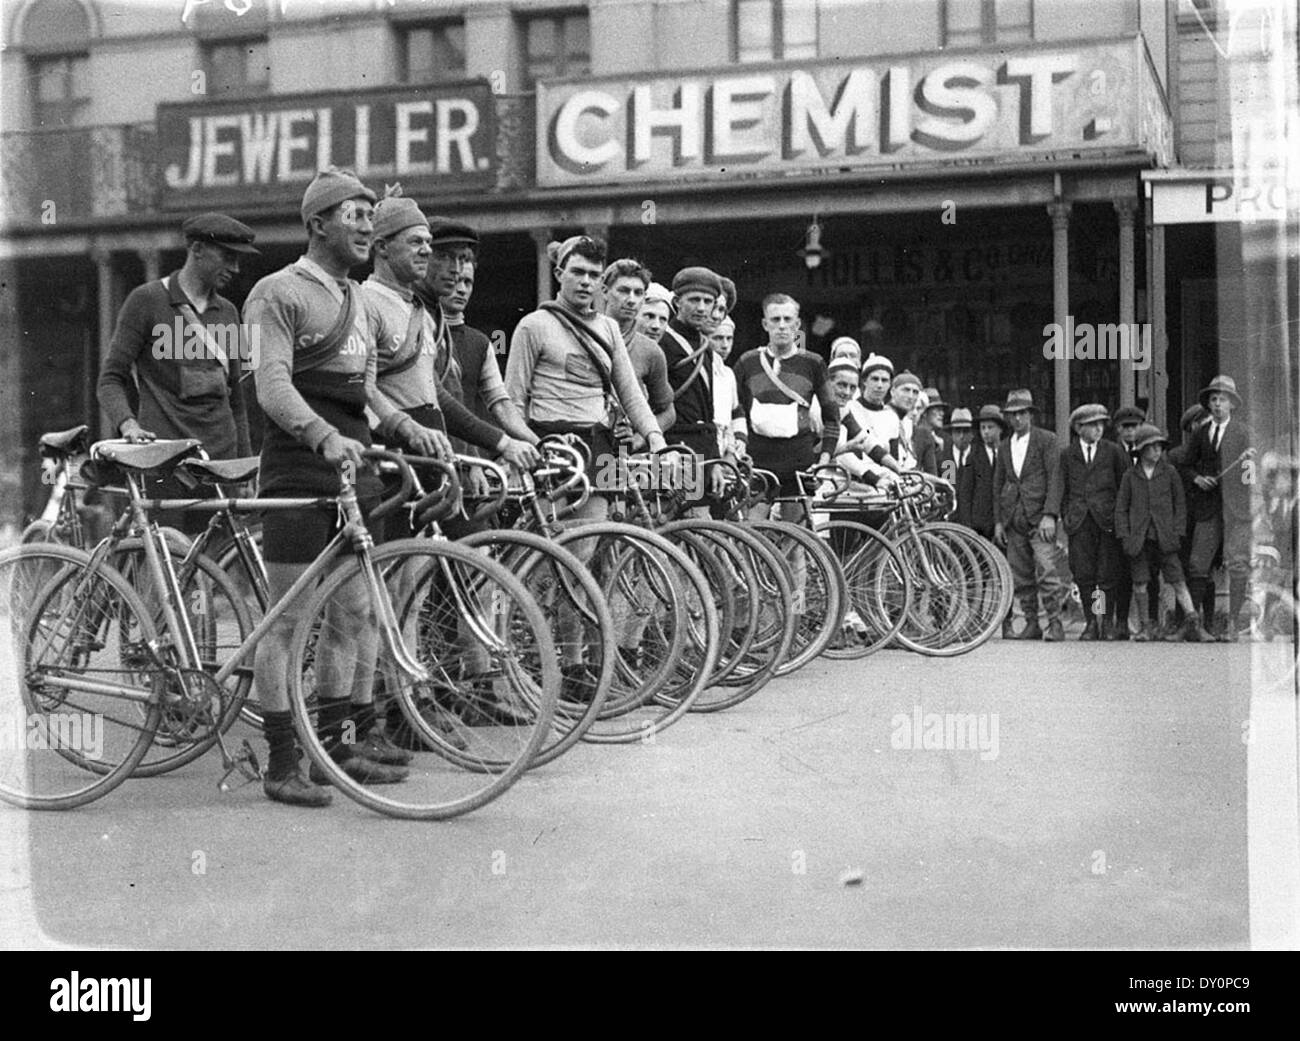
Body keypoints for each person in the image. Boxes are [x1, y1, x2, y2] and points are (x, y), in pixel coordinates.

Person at [242, 168, 410, 806]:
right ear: (317, 223)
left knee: (353, 613)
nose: (368, 225)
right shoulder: (277, 292)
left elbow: (365, 389)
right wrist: (321, 436)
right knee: (284, 621)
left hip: (349, 466)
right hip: (296, 466)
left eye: (372, 214)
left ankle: (338, 748)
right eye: (355, 214)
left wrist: (401, 428)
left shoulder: (360, 301)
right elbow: (272, 385)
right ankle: (282, 764)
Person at [504, 235, 668, 697]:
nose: (586, 282)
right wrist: (528, 446)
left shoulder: (610, 330)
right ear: (559, 272)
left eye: (594, 276)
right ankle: (553, 661)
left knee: (587, 556)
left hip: (594, 449)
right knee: (551, 561)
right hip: (549, 446)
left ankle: (578, 669)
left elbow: (629, 392)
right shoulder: (534, 326)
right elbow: (513, 399)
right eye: (578, 272)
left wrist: (653, 436)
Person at [97, 212, 256, 534]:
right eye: (227, 257)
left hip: (217, 463)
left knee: (217, 566)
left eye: (238, 259)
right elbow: (110, 379)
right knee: (163, 557)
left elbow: (236, 399)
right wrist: (128, 424)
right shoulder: (146, 301)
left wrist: (244, 467)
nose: (235, 268)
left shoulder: (228, 312)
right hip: (164, 463)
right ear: (196, 249)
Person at [732, 293, 839, 518]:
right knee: (751, 537)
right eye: (775, 319)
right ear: (765, 324)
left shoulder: (814, 363)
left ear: (797, 324)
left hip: (799, 461)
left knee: (796, 544)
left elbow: (832, 417)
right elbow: (735, 410)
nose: (782, 326)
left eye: (788, 319)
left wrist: (824, 459)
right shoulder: (747, 362)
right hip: (757, 462)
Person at [1115, 424, 1212, 642]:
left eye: (1159, 446)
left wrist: (1177, 532)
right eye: (1151, 447)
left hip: (1165, 537)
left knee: (1177, 580)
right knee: (1140, 581)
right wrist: (1125, 535)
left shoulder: (1170, 473)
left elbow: (1180, 504)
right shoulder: (1130, 476)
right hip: (1138, 539)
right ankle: (1146, 626)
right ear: (1141, 450)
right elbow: (1121, 508)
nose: (1157, 451)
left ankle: (1193, 622)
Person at [1181, 375, 1256, 641]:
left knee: (1238, 564)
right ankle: (1198, 625)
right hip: (1208, 508)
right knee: (1198, 564)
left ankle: (1233, 624)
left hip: (1238, 510)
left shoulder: (1244, 433)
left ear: (1232, 404)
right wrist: (1197, 479)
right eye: (1213, 399)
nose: (1217, 404)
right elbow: (1187, 464)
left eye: (1222, 400)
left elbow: (1251, 477)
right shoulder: (1201, 431)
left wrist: (1246, 467)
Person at [993, 389, 1067, 641]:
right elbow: (998, 484)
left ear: (1030, 415)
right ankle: (1032, 622)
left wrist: (1050, 514)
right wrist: (999, 522)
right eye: (1012, 415)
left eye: (1022, 414)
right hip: (1014, 517)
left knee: (1047, 570)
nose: (1017, 419)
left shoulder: (1047, 440)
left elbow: (1055, 478)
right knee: (1021, 574)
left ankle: (1055, 623)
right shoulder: (1004, 446)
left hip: (1039, 517)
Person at [1056, 404, 1127, 640]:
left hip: (1106, 522)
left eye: (1101, 424)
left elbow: (1123, 486)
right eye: (1093, 424)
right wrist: (1066, 516)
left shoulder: (1113, 451)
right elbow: (1062, 489)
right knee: (1084, 574)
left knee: (1106, 575)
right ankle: (1090, 623)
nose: (1099, 429)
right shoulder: (1067, 455)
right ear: (1078, 428)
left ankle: (1106, 622)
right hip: (1079, 523)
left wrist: (1118, 517)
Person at [600, 258, 676, 446]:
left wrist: (640, 438)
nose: (631, 299)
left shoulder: (650, 351)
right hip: (584, 440)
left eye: (638, 293)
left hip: (622, 453)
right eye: (623, 291)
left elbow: (668, 412)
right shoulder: (585, 336)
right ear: (604, 292)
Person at [957, 405, 1005, 544]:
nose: (986, 432)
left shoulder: (1007, 453)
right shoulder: (973, 456)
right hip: (979, 526)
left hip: (1004, 522)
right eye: (983, 428)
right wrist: (967, 528)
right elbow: (965, 492)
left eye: (990, 427)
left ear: (1000, 429)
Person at [888, 371, 922, 469]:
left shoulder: (907, 423)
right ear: (893, 391)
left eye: (915, 392)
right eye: (906, 390)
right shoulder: (882, 416)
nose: (911, 396)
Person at [913, 386, 947, 477]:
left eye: (942, 410)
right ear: (924, 412)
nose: (942, 413)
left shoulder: (945, 439)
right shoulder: (911, 436)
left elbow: (950, 477)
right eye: (937, 409)